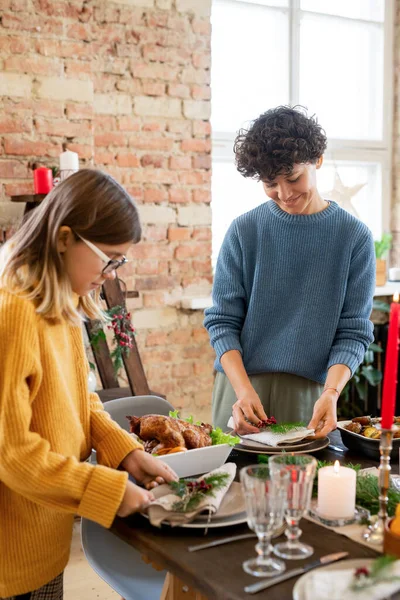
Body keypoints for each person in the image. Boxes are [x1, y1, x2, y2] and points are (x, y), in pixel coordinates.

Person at [0, 169, 178, 600]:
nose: (113, 274)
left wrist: (127, 452)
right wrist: (107, 490)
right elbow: (12, 454)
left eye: (121, 261)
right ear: (64, 239)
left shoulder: (62, 302)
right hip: (11, 558)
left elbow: (81, 401)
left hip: (45, 538)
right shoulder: (16, 312)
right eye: (109, 258)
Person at [204, 105, 375, 437]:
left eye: (294, 178)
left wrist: (331, 392)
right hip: (240, 391)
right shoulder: (244, 231)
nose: (284, 194)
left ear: (318, 160)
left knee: (301, 489)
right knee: (230, 484)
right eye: (270, 183)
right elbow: (222, 322)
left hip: (309, 397)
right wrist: (242, 391)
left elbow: (353, 331)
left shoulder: (354, 238)